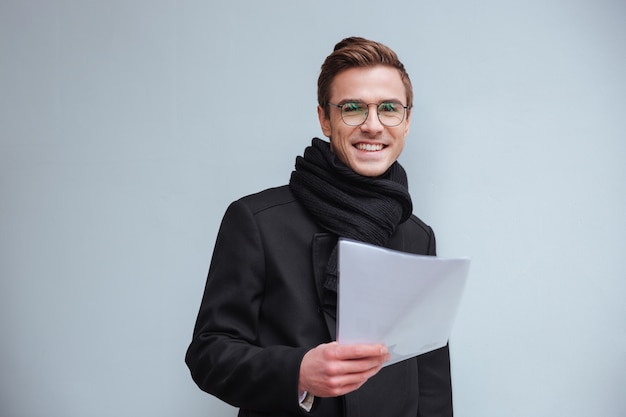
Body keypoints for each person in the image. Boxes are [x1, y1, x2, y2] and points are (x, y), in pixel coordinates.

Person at [186, 36, 453, 416]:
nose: (372, 125)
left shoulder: (417, 235)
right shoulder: (256, 220)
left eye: (389, 108)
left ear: (407, 122)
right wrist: (298, 372)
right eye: (352, 108)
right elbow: (208, 353)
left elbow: (430, 377)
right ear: (325, 119)